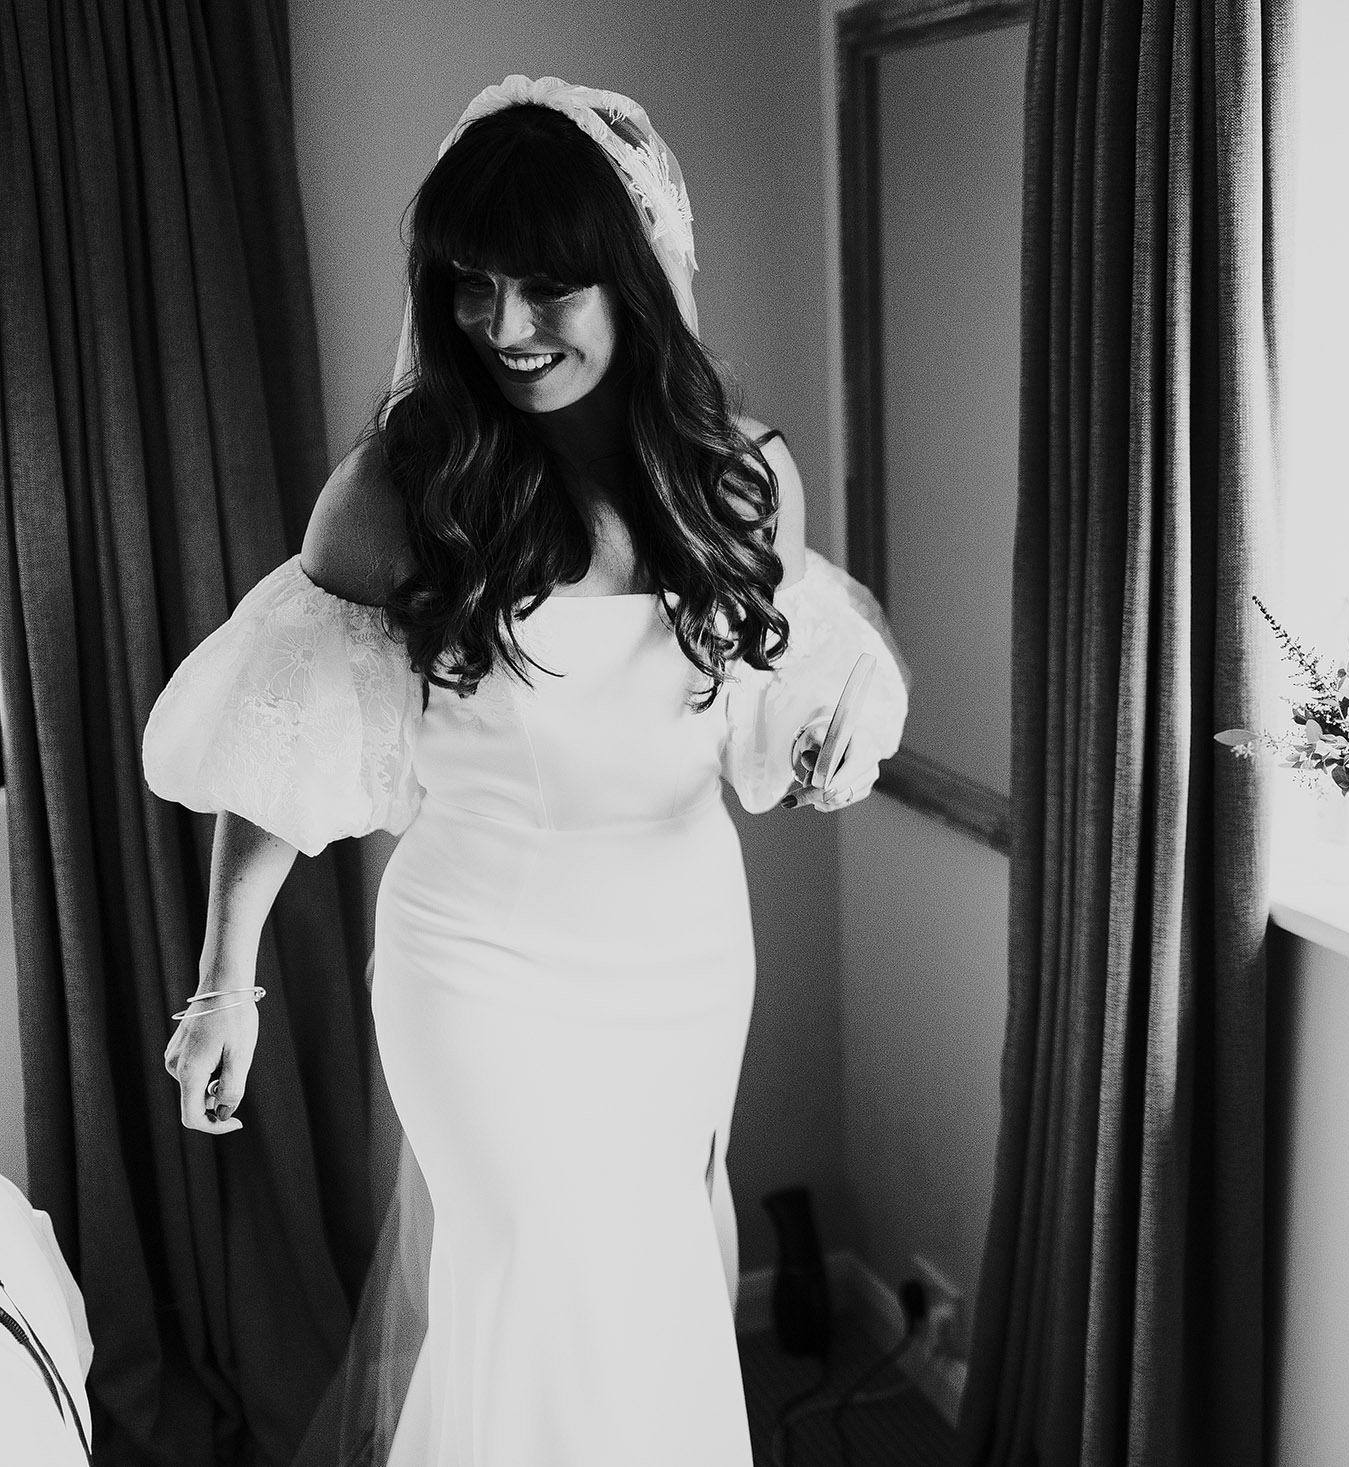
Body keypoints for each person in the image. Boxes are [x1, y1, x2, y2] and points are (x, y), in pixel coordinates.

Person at [139, 76, 906, 1465]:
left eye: (547, 288)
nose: (503, 327)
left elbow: (772, 698)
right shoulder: (398, 493)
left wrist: (820, 736)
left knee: (651, 1284)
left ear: (633, 280)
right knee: (536, 1279)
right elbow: (281, 752)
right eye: (471, 287)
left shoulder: (741, 482)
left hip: (678, 963)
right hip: (477, 965)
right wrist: (220, 986)